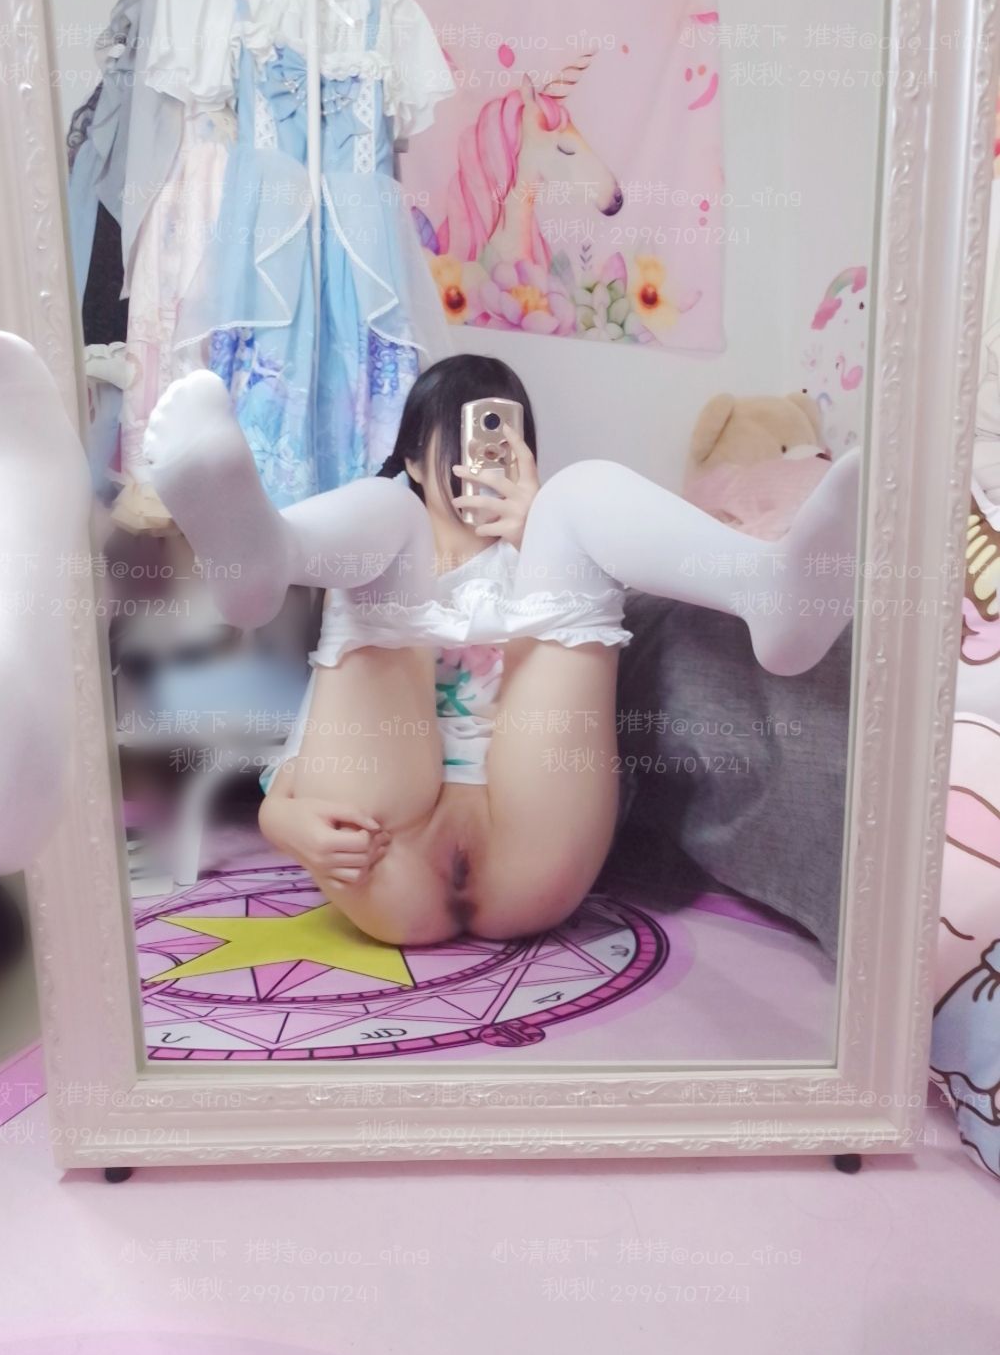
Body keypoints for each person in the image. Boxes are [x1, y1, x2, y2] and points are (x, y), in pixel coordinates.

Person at [144, 355, 860, 946]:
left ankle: (768, 592)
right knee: (387, 514)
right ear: (414, 456)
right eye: (454, 438)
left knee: (577, 495)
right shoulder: (376, 546)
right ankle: (266, 557)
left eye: (493, 435)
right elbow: (315, 734)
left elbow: (586, 689)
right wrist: (282, 820)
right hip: (385, 850)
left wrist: (536, 525)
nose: (474, 458)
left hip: (534, 846)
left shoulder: (546, 555)